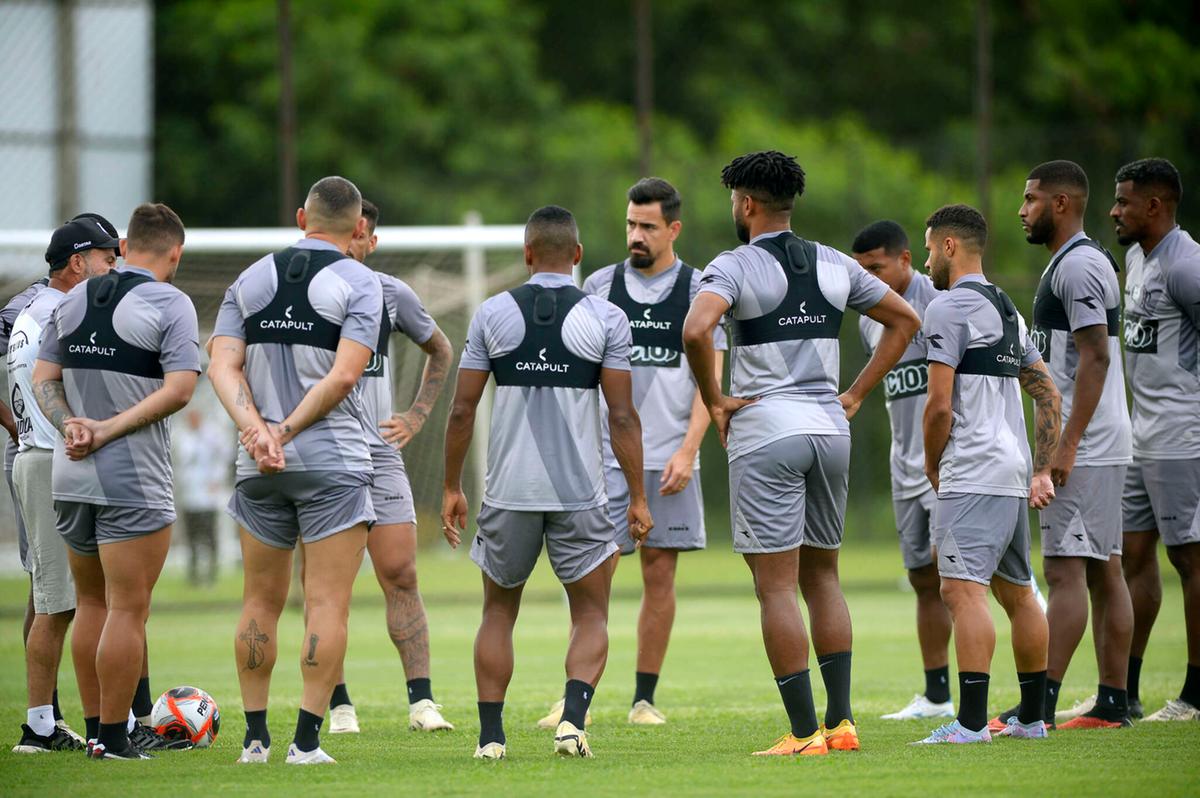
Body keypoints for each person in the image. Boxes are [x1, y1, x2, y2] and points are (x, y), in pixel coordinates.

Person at [682, 151, 921, 756]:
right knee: (824, 578)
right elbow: (906, 319)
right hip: (829, 430)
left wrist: (715, 401)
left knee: (776, 588)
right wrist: (857, 394)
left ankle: (801, 733)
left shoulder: (732, 265)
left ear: (748, 204)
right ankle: (841, 726)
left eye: (734, 200)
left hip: (768, 433)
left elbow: (694, 330)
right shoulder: (835, 262)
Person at [442, 205, 651, 760]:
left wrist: (450, 488)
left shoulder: (491, 313)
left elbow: (461, 412)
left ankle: (490, 739)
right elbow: (623, 417)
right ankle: (572, 724)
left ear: (527, 254)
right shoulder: (606, 318)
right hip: (580, 493)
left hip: (509, 491)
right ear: (577, 255)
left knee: (497, 613)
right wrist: (638, 495)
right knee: (590, 614)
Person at [208, 176, 382, 765]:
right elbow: (344, 376)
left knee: (258, 600)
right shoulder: (362, 280)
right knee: (327, 602)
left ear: (300, 215)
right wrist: (282, 432)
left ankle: (254, 741)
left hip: (257, 466)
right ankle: (305, 742)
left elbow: (222, 366)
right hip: (332, 461)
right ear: (359, 228)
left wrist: (256, 431)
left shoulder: (249, 278)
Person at [539, 177, 722, 728]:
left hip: (668, 457)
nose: (635, 235)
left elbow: (708, 382)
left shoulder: (699, 289)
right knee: (593, 575)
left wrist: (690, 450)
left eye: (647, 226)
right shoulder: (597, 285)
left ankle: (644, 699)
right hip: (603, 457)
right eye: (630, 224)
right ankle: (575, 698)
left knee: (659, 576)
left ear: (673, 229)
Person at [32, 203, 199, 760]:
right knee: (128, 610)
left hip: (70, 474)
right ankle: (113, 736)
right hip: (131, 478)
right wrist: (105, 430)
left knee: (92, 604)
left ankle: (99, 732)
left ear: (125, 247)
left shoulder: (74, 297)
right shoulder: (171, 301)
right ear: (174, 253)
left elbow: (44, 378)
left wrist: (70, 426)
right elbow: (179, 390)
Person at [992, 160, 1134, 731]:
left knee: (1067, 571)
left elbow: (1095, 356)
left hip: (1089, 442)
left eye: (1029, 199)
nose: (1021, 210)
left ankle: (1039, 706)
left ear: (1059, 204)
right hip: (1099, 438)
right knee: (1105, 570)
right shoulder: (1076, 262)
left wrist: (1066, 447)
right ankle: (1111, 703)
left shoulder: (1077, 268)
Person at [913, 203, 1061, 745]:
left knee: (960, 591)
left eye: (929, 247)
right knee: (1020, 592)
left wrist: (932, 462)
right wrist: (1039, 466)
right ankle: (1032, 717)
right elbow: (1047, 393)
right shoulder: (1006, 309)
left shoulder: (947, 309)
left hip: (971, 470)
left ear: (950, 246)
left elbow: (938, 407)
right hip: (1010, 469)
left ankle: (972, 724)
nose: (927, 258)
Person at [324, 199, 455, 735]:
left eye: (363, 235)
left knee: (401, 571)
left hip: (378, 453)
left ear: (370, 241)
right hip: (324, 451)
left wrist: (417, 416)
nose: (355, 241)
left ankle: (421, 703)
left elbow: (441, 349)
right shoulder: (302, 292)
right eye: (347, 232)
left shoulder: (388, 293)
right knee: (327, 585)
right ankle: (336, 705)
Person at [8, 217, 118, 752]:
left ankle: (60, 722)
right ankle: (39, 729)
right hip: (53, 461)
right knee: (56, 603)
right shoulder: (65, 311)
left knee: (63, 599)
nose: (113, 267)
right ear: (79, 262)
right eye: (106, 257)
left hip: (41, 457)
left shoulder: (34, 308)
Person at [850, 220, 953, 721]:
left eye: (876, 267)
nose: (868, 276)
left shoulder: (940, 304)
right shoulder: (873, 318)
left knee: (958, 573)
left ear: (907, 259)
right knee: (922, 579)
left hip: (947, 464)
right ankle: (938, 696)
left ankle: (1025, 669)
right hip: (904, 466)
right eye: (861, 269)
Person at [1112, 157, 1200, 722]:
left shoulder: (1186, 263)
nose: (1114, 211)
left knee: (1191, 560)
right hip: (1140, 436)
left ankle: (1195, 694)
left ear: (1155, 205)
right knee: (1132, 556)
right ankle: (1125, 690)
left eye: (1123, 202)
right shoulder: (1135, 258)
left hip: (1182, 435)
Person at [173, 405, 232, 586]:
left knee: (209, 534)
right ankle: (194, 573)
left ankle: (211, 572)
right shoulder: (181, 437)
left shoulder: (211, 436)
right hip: (189, 493)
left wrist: (217, 479)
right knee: (192, 535)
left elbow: (224, 457)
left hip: (208, 495)